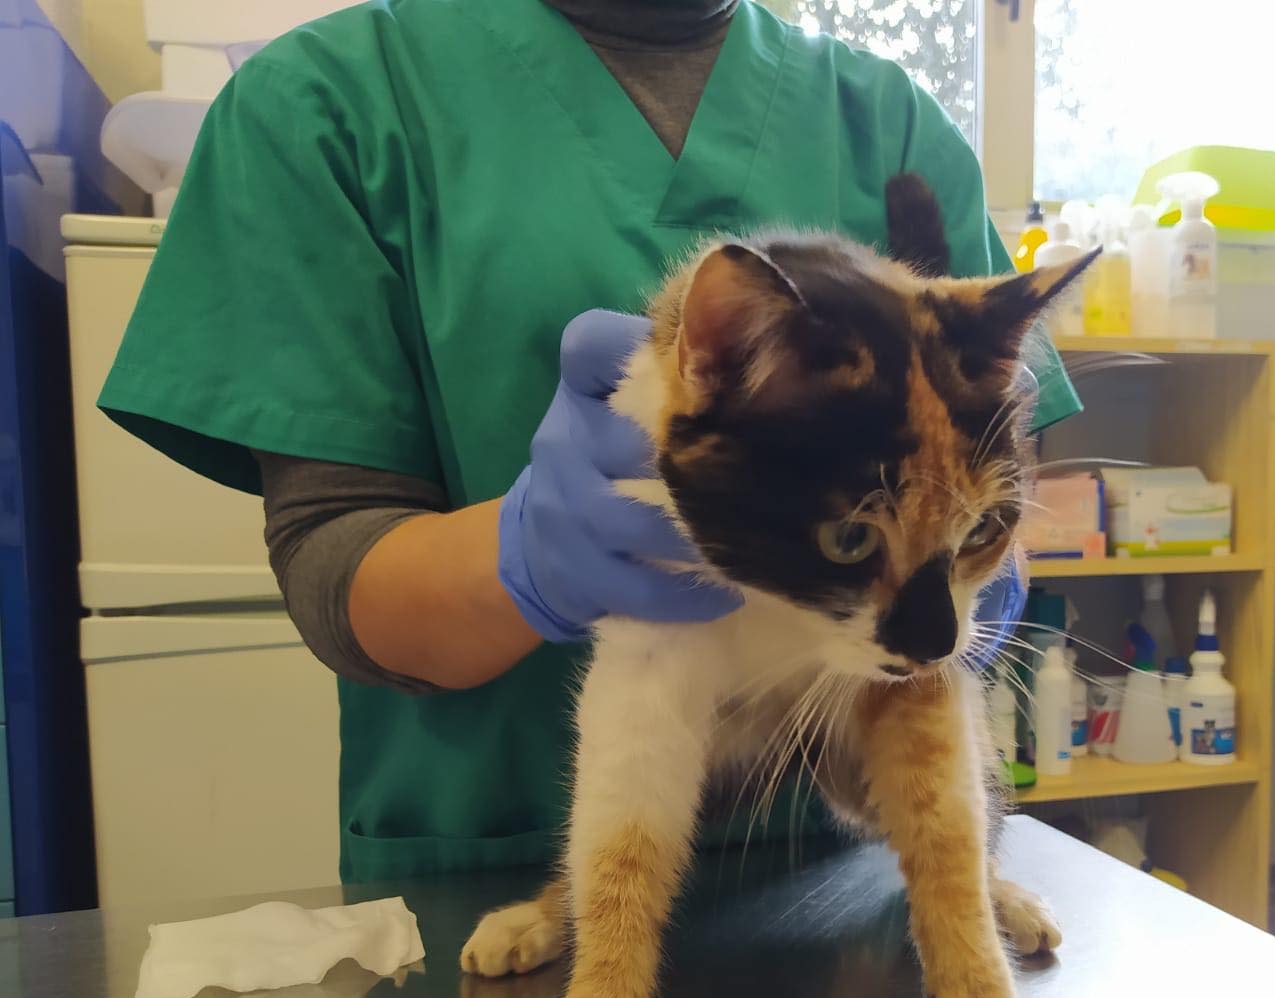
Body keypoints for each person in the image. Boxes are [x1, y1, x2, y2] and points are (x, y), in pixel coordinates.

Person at [97, 0, 1079, 884]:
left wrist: (968, 571)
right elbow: (330, 553)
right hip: (497, 871)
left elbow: (1001, 460)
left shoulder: (891, 124)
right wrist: (526, 557)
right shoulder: (331, 104)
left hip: (843, 874)